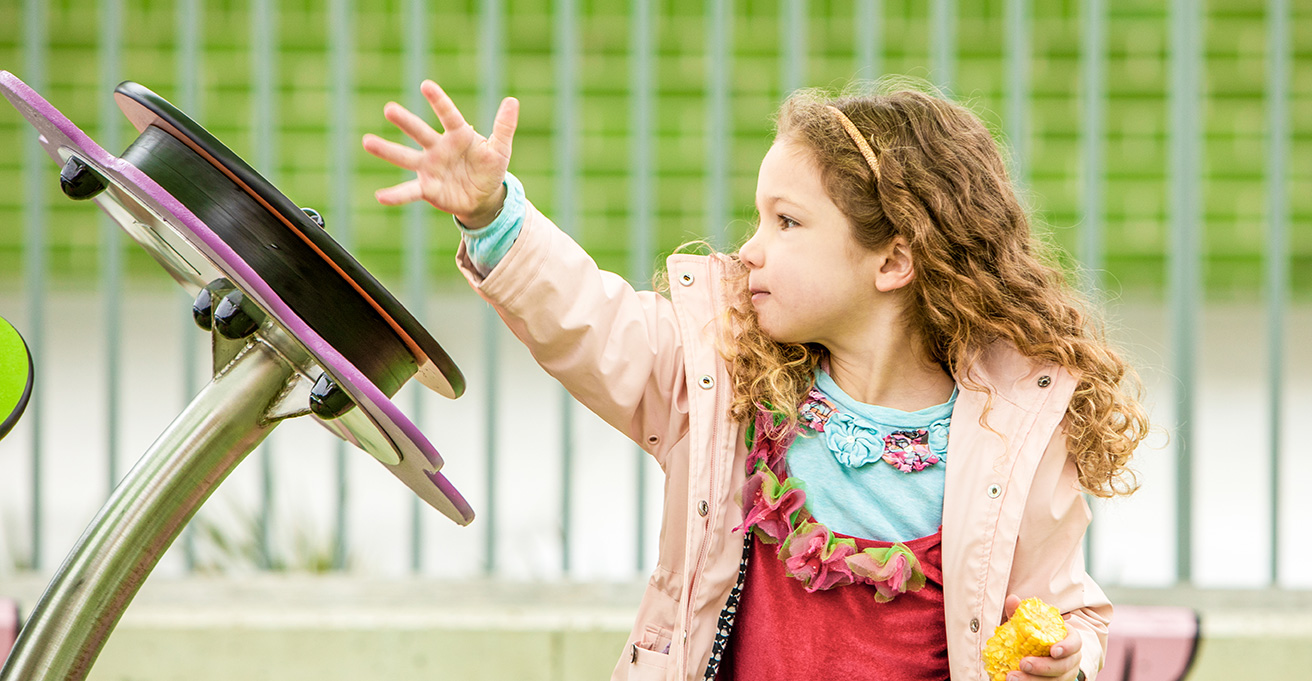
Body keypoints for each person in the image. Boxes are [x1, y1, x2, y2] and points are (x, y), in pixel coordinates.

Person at [363, 78, 1148, 681]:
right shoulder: (723, 381)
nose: (749, 250)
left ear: (893, 259)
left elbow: (1067, 607)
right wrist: (494, 216)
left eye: (787, 222)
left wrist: (1068, 656)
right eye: (757, 217)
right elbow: (592, 323)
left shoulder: (1016, 430)